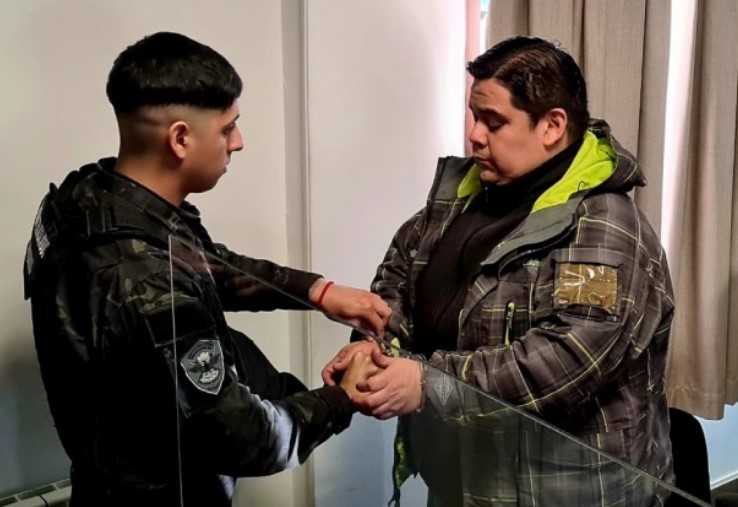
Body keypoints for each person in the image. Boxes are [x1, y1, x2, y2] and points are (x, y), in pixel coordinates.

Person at [23, 31, 389, 507]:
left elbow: (202, 264)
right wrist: (343, 397)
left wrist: (316, 291)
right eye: (227, 128)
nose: (238, 142)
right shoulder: (141, 276)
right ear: (180, 138)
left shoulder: (92, 197)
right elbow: (247, 437)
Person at [325, 36, 675, 506]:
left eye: (494, 122)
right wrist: (374, 348)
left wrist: (428, 383)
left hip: (561, 493)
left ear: (552, 126)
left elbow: (566, 359)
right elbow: (397, 280)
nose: (474, 136)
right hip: (463, 477)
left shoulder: (604, 226)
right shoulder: (463, 196)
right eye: (474, 117)